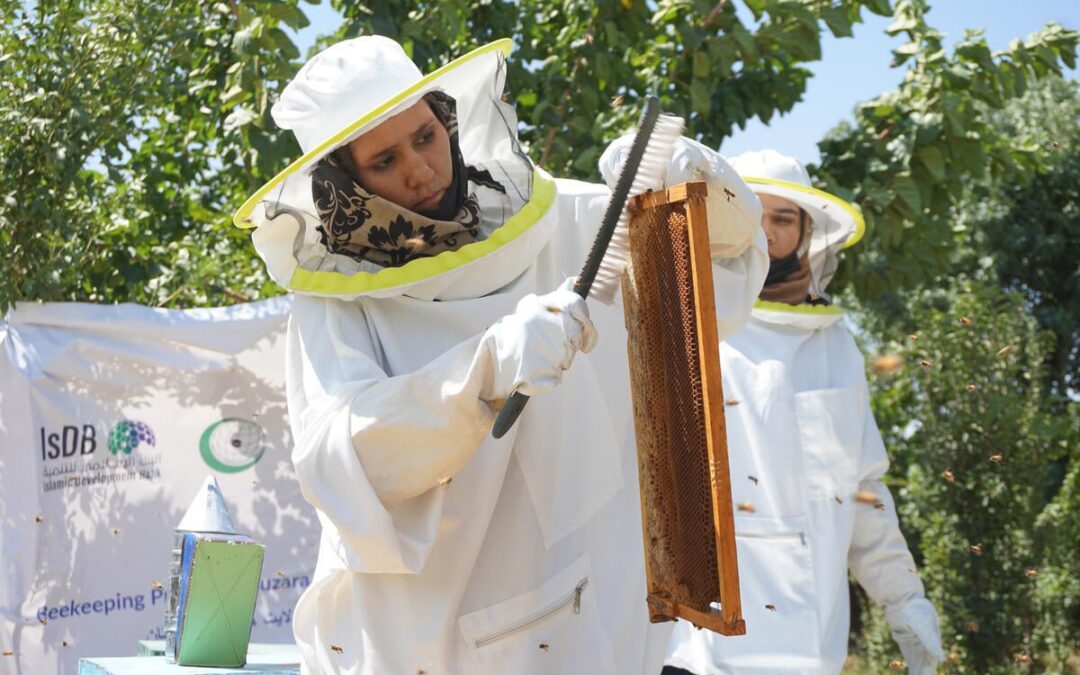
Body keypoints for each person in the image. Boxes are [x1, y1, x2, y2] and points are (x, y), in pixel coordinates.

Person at [234, 35, 769, 674]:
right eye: (384, 160)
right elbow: (340, 461)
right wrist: (480, 373)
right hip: (430, 632)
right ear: (343, 181)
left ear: (448, 121)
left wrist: (700, 181)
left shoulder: (569, 220)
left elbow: (723, 281)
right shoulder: (335, 299)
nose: (419, 169)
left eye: (425, 137)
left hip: (602, 606)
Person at [661, 150, 945, 675]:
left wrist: (905, 599)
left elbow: (862, 492)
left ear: (807, 231)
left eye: (784, 219)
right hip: (695, 644)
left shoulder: (836, 345)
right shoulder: (684, 324)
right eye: (754, 213)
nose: (766, 233)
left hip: (810, 640)